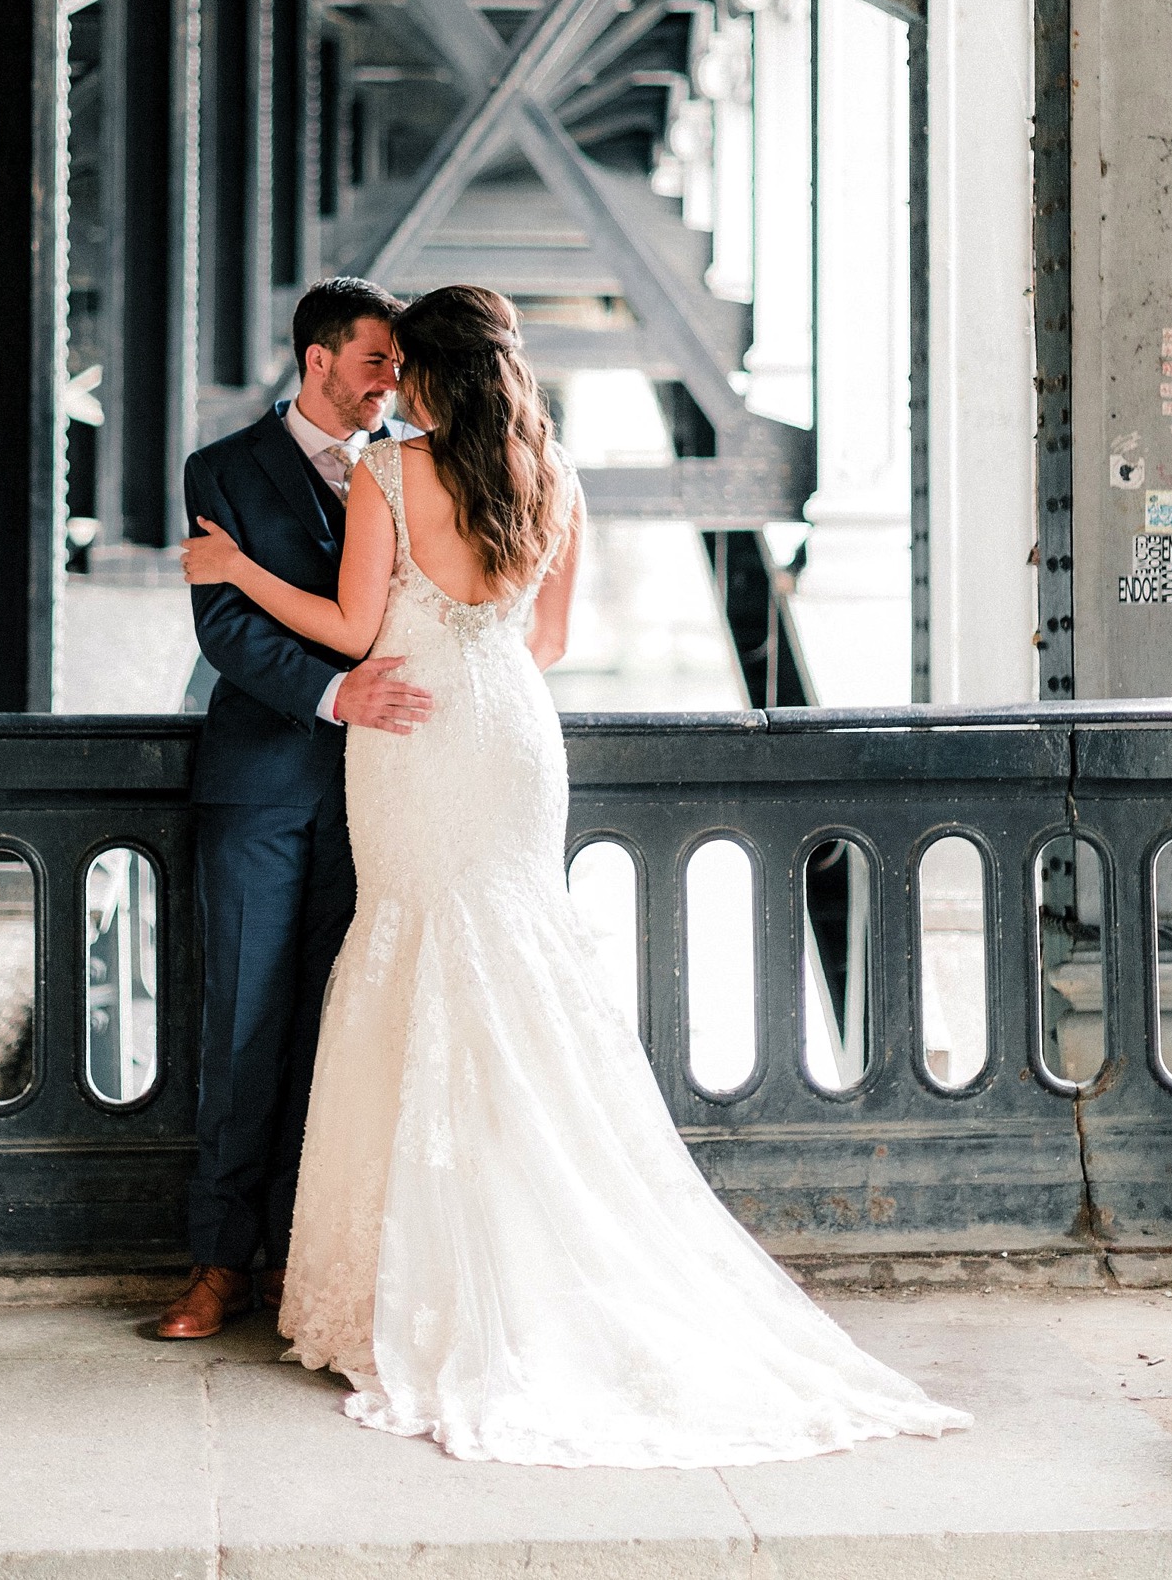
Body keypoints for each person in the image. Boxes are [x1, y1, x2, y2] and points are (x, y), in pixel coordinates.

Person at [181, 283, 971, 1467]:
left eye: (404, 367)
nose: (389, 384)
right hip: (508, 732)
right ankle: (520, 1247)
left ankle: (424, 1273)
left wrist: (238, 570)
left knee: (411, 961)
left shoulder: (392, 476)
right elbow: (543, 645)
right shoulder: (555, 478)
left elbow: (353, 633)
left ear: (430, 375)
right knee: (511, 962)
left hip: (412, 740)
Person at [153, 278, 434, 1342]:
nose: (390, 385)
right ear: (318, 359)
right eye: (375, 364)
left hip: (388, 792)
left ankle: (304, 1264)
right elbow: (224, 626)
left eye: (398, 369)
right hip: (263, 781)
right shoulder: (220, 470)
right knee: (244, 1020)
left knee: (342, 1030)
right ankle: (218, 1265)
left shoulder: (414, 465)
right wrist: (331, 692)